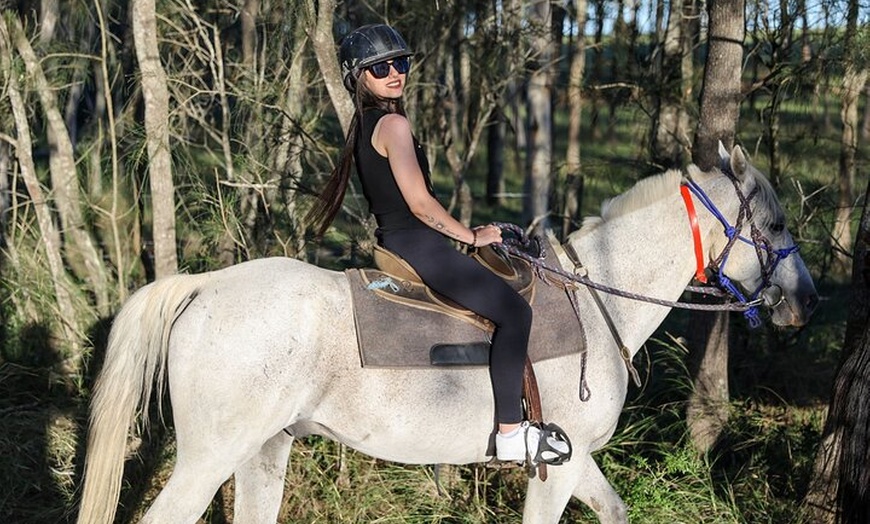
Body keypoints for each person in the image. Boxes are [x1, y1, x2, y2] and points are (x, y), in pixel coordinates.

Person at [307, 23, 569, 466]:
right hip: (419, 246)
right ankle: (510, 433)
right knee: (514, 312)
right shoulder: (392, 124)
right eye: (379, 68)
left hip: (403, 241)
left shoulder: (366, 125)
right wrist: (471, 235)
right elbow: (420, 204)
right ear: (359, 78)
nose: (394, 73)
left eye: (400, 62)